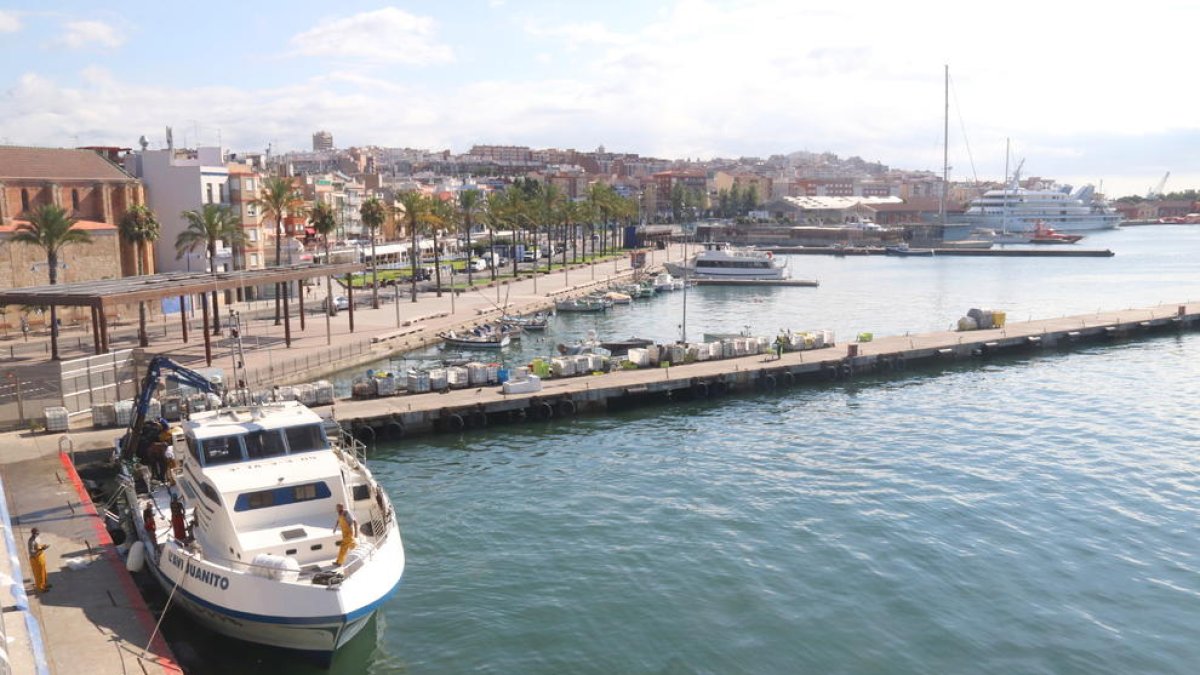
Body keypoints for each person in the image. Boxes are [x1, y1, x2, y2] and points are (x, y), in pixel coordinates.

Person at [27, 527, 50, 592]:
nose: (37, 534)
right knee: (38, 574)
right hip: (35, 559)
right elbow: (31, 552)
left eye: (38, 533)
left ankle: (44, 584)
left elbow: (39, 545)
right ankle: (40, 588)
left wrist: (43, 546)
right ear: (33, 533)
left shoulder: (38, 538)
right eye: (36, 533)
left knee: (44, 572)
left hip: (41, 557)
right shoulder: (31, 541)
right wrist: (41, 549)